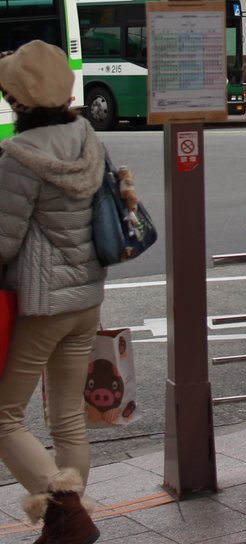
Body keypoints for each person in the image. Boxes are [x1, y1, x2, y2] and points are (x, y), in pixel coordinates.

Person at [0, 40, 107, 544]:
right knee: (67, 416)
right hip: (86, 298)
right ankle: (69, 521)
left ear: (18, 98)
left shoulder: (19, 158)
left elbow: (3, 240)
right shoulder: (90, 139)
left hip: (42, 305)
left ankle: (67, 515)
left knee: (3, 417)